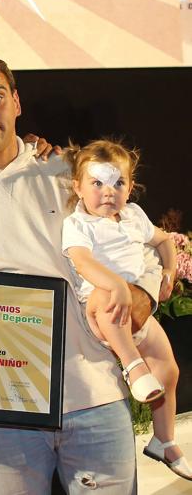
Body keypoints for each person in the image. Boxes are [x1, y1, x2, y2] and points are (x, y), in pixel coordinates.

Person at [0, 51, 163, 494]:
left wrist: (146, 292)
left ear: (17, 102)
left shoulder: (67, 171)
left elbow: (137, 239)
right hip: (5, 414)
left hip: (95, 396)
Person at [62, 139, 191, 481]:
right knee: (106, 299)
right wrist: (116, 285)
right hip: (101, 309)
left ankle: (163, 440)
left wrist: (168, 269)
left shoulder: (133, 216)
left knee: (168, 369)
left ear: (131, 186)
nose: (109, 192)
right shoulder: (78, 224)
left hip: (137, 312)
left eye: (118, 183)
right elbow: (82, 260)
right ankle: (132, 366)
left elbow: (163, 240)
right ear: (78, 186)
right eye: (97, 183)